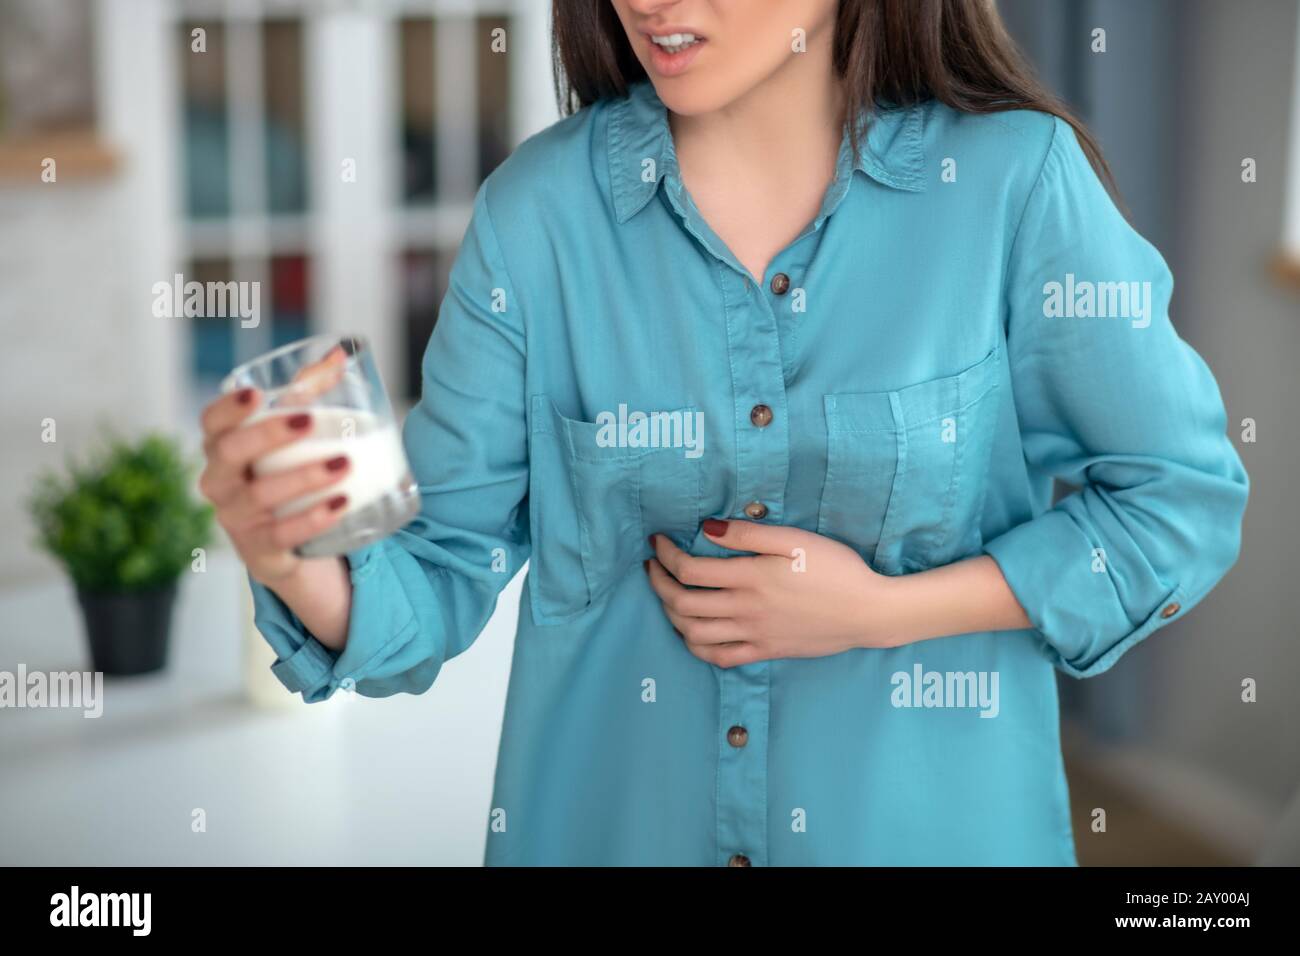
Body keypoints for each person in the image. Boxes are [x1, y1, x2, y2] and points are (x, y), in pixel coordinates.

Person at [197, 0, 1249, 865]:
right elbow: (427, 573)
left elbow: (1179, 501)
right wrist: (291, 553)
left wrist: (883, 611)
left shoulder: (1014, 186)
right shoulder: (537, 217)